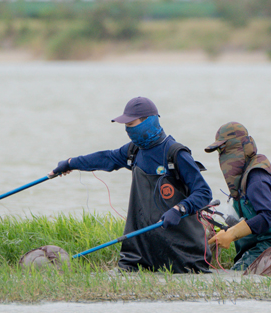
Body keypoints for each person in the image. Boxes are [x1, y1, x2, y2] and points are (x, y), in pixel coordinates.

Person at [50, 97, 213, 273]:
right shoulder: (133, 151)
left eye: (131, 123)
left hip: (183, 254)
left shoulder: (176, 153)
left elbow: (203, 192)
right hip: (140, 252)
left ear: (149, 121)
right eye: (125, 124)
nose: (127, 129)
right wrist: (70, 163)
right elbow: (106, 158)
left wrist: (179, 209)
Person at [205, 122, 271, 271]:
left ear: (238, 148)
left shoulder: (256, 179)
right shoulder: (246, 174)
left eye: (223, 149)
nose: (222, 156)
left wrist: (232, 235)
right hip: (260, 242)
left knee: (238, 275)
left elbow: (267, 215)